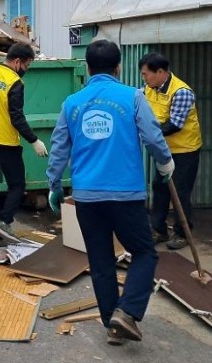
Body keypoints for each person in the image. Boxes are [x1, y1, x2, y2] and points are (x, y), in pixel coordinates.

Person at [46, 39, 174, 345]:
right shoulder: (133, 97)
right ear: (118, 67)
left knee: (101, 260)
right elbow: (153, 136)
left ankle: (112, 323)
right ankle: (126, 312)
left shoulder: (72, 103)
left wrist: (53, 184)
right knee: (144, 252)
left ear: (88, 68)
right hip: (125, 195)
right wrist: (165, 163)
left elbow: (59, 148)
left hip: (87, 197)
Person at [0, 43, 48, 245]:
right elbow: (16, 117)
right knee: (17, 184)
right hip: (4, 142)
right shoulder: (15, 82)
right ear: (17, 62)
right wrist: (34, 140)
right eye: (28, 65)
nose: (27, 69)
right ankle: (4, 222)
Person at [139, 52, 202, 251]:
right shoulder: (150, 89)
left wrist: (146, 134)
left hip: (185, 150)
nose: (144, 78)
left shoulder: (181, 92)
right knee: (160, 188)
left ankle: (183, 233)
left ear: (160, 72)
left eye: (145, 74)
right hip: (164, 148)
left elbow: (174, 124)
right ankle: (159, 230)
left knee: (180, 192)